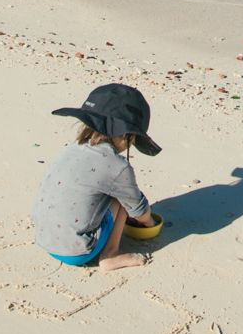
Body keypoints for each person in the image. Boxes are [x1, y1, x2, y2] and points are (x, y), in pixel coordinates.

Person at [32, 83, 160, 271]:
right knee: (122, 198)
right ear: (126, 134)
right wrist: (149, 223)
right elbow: (139, 209)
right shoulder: (118, 166)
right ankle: (110, 255)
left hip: (43, 238)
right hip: (77, 253)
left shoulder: (72, 148)